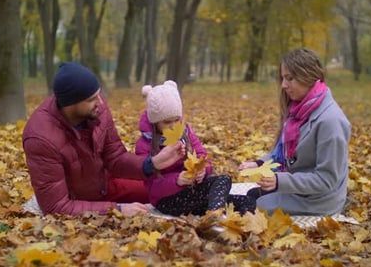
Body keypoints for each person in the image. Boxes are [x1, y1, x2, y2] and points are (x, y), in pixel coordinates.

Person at [22, 62, 185, 216]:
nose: (100, 102)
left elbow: (115, 157)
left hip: (106, 184)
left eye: (98, 95)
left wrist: (152, 164)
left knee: (167, 190)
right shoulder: (41, 138)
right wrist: (117, 210)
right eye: (91, 99)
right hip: (78, 200)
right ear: (71, 104)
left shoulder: (96, 110)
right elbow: (56, 207)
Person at [239, 48, 351, 216]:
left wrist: (279, 181)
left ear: (308, 76)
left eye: (289, 78)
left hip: (317, 201)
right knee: (244, 196)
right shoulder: (299, 110)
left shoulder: (331, 121)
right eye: (283, 78)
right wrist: (259, 164)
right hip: (297, 188)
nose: (284, 85)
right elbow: (283, 156)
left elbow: (327, 180)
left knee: (249, 206)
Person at [135, 80, 256, 216]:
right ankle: (214, 217)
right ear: (154, 122)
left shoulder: (186, 133)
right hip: (168, 200)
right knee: (221, 185)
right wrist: (177, 180)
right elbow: (151, 186)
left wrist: (203, 170)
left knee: (244, 199)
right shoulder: (145, 144)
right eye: (166, 122)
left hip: (193, 192)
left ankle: (242, 225)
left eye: (176, 120)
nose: (173, 126)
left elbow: (204, 158)